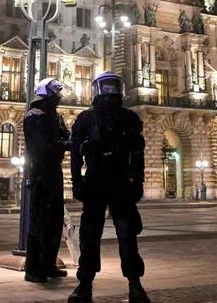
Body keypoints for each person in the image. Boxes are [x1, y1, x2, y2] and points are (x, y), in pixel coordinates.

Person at [68, 71, 149, 303]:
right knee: (89, 237)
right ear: (98, 90)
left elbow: (138, 154)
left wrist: (139, 181)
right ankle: (84, 284)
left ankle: (135, 284)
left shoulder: (130, 118)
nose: (111, 92)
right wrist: (76, 181)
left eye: (115, 88)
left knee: (128, 235)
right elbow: (75, 154)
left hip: (122, 182)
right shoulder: (86, 118)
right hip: (95, 182)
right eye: (107, 88)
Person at [23, 77, 70, 284]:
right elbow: (43, 146)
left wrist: (66, 142)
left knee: (55, 219)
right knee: (39, 221)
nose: (59, 97)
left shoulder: (55, 117)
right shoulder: (34, 116)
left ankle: (49, 264)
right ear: (46, 94)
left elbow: (65, 136)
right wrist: (64, 144)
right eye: (56, 93)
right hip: (40, 170)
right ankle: (33, 268)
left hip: (54, 170)